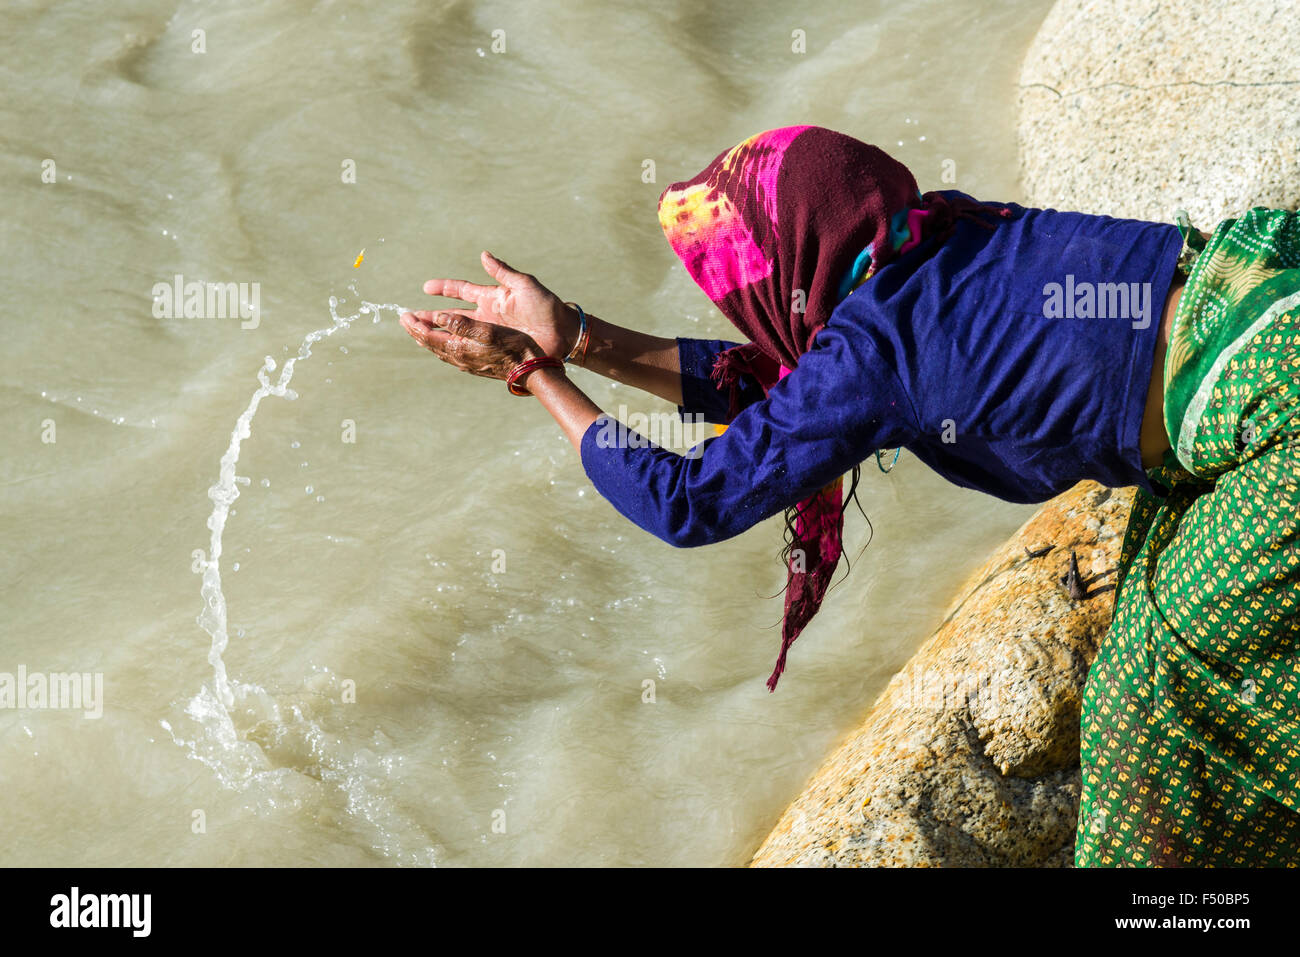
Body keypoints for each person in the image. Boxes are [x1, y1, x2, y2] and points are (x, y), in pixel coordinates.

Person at [399, 125, 1300, 866]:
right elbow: (777, 385)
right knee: (1149, 582)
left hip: (1277, 418)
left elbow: (692, 502)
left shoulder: (874, 354)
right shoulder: (944, 234)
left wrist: (535, 376)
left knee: (1147, 686)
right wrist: (582, 339)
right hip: (1265, 299)